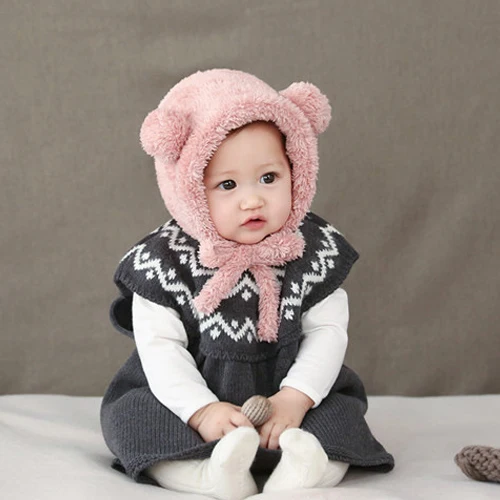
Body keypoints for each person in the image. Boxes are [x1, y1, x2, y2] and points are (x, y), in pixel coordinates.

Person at [100, 68, 394, 499]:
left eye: (269, 178)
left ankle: (307, 467)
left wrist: (296, 397)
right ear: (187, 189)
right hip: (189, 397)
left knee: (340, 417)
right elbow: (160, 349)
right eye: (227, 184)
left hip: (289, 397)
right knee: (135, 419)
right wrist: (201, 411)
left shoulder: (311, 250)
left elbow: (328, 333)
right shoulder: (165, 261)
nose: (252, 199)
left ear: (297, 168)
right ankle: (209, 474)